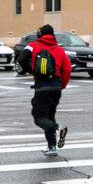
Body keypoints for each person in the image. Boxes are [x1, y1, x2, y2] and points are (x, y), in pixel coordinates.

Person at [17, 24, 72, 157]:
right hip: (56, 88)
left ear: (40, 34)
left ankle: (57, 129)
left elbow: (21, 59)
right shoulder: (60, 50)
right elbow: (68, 69)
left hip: (42, 88)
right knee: (49, 116)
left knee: (39, 117)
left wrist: (32, 70)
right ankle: (52, 147)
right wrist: (62, 85)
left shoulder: (33, 45)